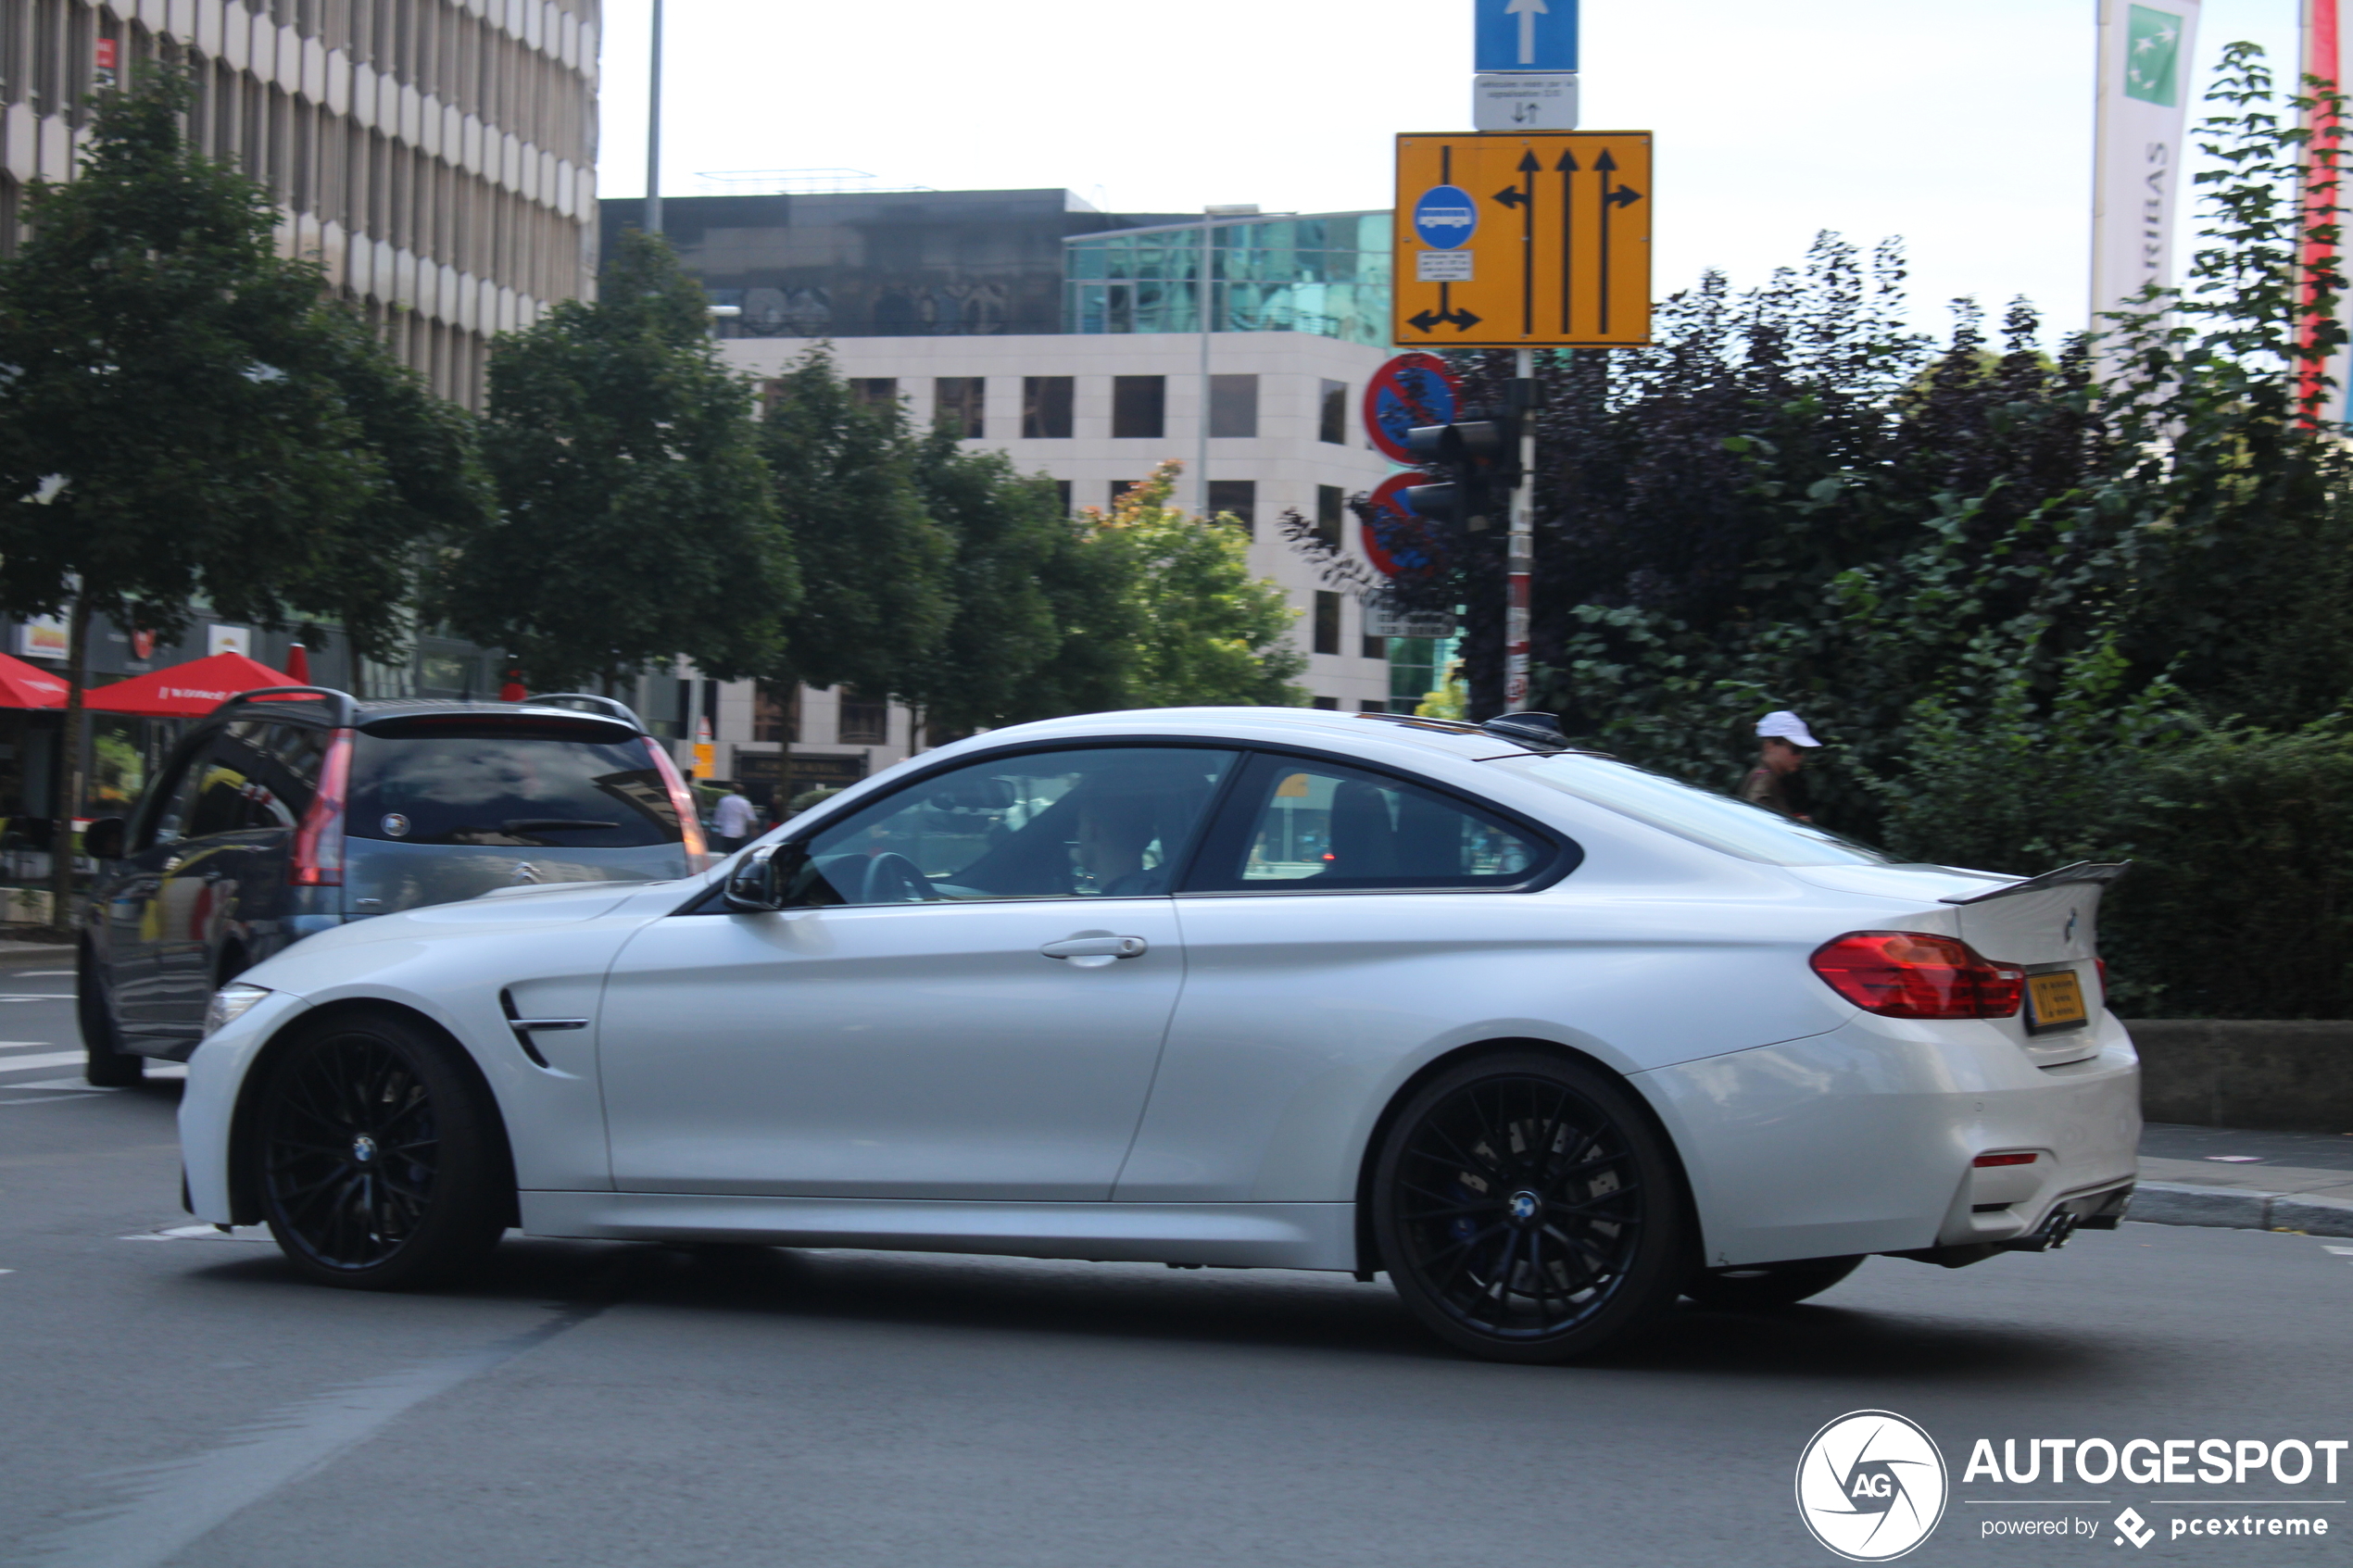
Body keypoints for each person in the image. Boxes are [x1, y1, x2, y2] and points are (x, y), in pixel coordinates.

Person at [1741, 710, 1819, 822]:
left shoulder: (1769, 778)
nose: (1801, 757)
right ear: (1770, 746)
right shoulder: (1763, 781)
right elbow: (1754, 823)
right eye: (1796, 749)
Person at [711, 782, 757, 854]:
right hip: (739, 832)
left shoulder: (724, 801)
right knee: (737, 852)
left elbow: (718, 815)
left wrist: (716, 825)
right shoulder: (745, 803)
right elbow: (751, 818)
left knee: (726, 851)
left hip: (726, 830)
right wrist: (753, 829)